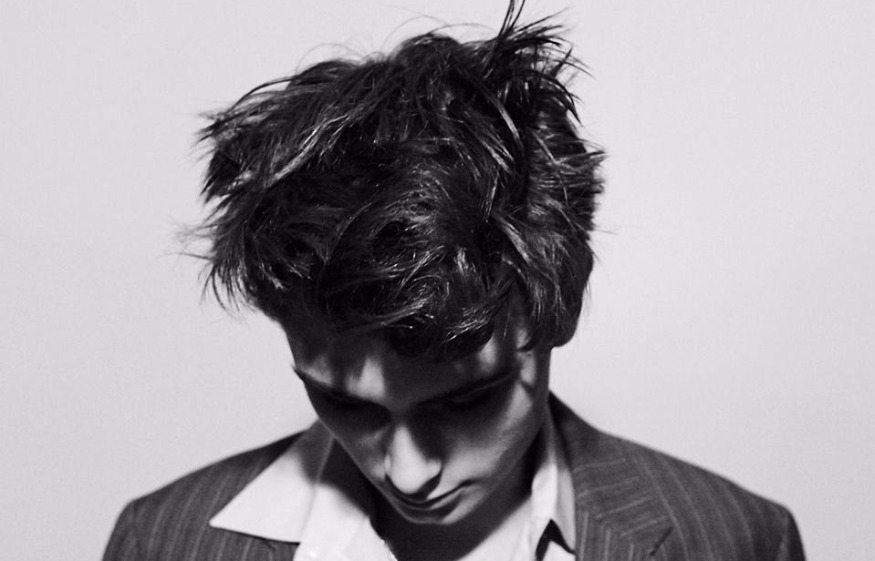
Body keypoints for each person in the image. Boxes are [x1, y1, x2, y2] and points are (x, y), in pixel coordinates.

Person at [103, 3, 805, 560]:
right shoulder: (163, 541)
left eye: (467, 400)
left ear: (562, 305)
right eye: (343, 402)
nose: (408, 473)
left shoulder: (734, 540)